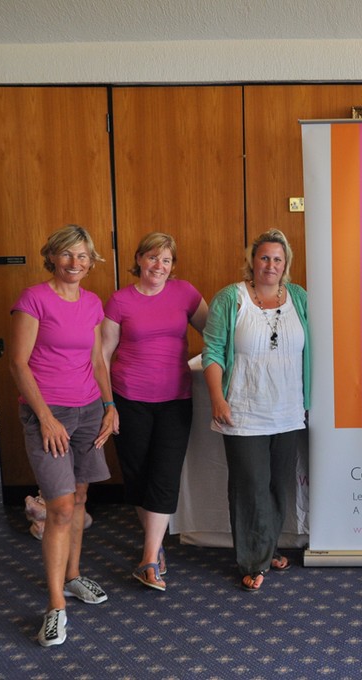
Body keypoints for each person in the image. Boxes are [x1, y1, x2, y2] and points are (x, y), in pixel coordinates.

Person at [10, 225, 118, 647]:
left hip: (90, 411)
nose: (76, 263)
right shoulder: (33, 299)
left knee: (80, 499)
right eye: (68, 255)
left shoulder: (92, 302)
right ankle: (56, 607)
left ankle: (73, 577)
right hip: (47, 413)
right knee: (58, 509)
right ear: (52, 256)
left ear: (92, 262)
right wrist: (46, 418)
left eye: (83, 256)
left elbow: (97, 362)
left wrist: (109, 407)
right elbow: (19, 364)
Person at [202, 229, 310, 592]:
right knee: (250, 487)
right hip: (243, 410)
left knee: (279, 486)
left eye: (278, 259)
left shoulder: (298, 297)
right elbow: (213, 352)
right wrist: (217, 398)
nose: (271, 265)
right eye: (264, 257)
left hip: (289, 409)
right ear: (252, 261)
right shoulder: (229, 299)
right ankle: (253, 560)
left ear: (286, 264)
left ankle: (266, 547)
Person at [101, 232, 208, 592]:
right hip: (129, 398)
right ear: (139, 259)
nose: (158, 266)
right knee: (139, 475)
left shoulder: (185, 293)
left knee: (164, 474)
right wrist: (108, 404)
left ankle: (148, 559)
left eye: (166, 260)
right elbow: (102, 354)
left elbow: (216, 333)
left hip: (175, 399)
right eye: (152, 258)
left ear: (172, 265)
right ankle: (155, 546)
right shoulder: (120, 300)